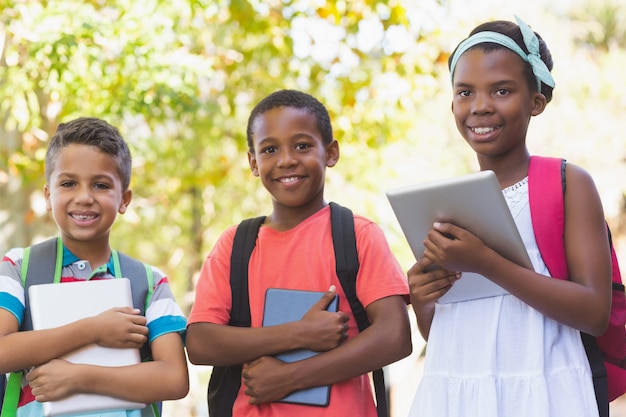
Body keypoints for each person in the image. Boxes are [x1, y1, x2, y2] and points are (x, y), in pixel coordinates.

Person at [407, 16, 612, 417]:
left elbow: (594, 313)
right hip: (458, 393)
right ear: (453, 104)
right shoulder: (446, 205)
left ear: (536, 101)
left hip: (543, 390)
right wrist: (423, 299)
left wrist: (486, 263)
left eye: (501, 90)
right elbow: (447, 332)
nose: (480, 106)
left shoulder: (568, 184)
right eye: (465, 92)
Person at [186, 89, 412, 417]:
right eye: (270, 149)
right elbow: (201, 343)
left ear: (330, 153)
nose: (287, 159)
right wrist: (299, 333)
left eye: (302, 145)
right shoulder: (235, 245)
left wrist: (290, 377)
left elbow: (394, 335)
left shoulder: (356, 235)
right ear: (253, 162)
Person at [0, 117, 189, 416]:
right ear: (49, 196)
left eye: (100, 185)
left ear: (124, 199)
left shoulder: (151, 282)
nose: (84, 197)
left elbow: (175, 378)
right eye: (68, 183)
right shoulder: (18, 267)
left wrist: (80, 377)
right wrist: (92, 330)